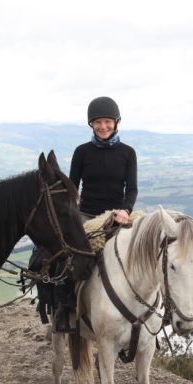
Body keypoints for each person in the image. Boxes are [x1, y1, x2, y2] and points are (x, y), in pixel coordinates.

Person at [49, 96, 137, 332]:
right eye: (97, 122)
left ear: (116, 122)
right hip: (87, 215)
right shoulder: (82, 152)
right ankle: (65, 309)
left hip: (117, 215)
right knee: (69, 255)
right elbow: (73, 188)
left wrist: (125, 210)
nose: (103, 126)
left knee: (146, 251)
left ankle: (148, 314)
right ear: (91, 125)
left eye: (107, 121)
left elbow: (133, 188)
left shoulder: (128, 153)